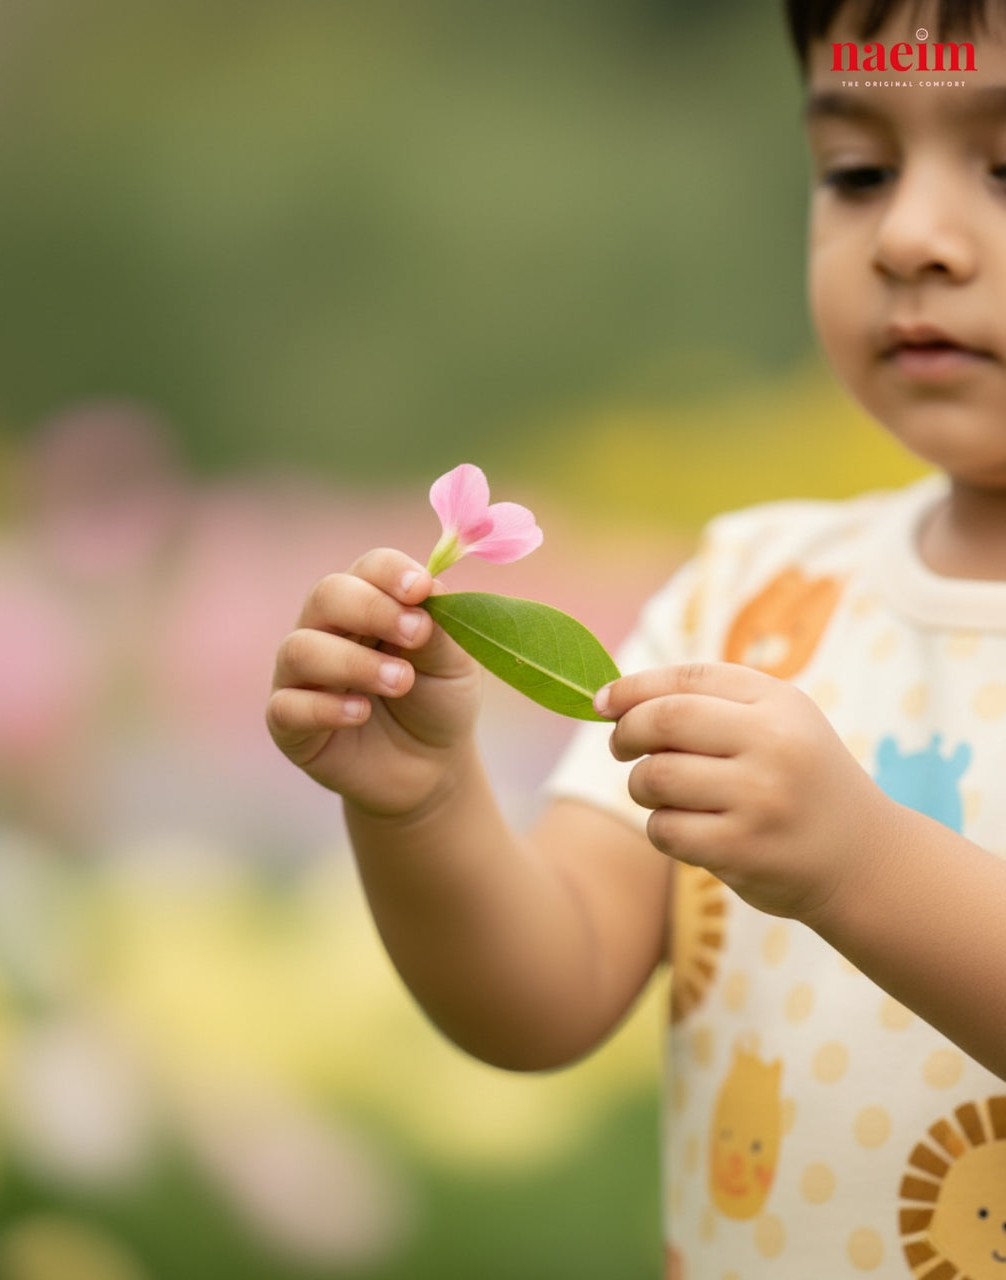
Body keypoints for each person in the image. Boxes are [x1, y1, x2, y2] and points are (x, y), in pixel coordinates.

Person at [267, 0, 1006, 1273]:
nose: (910, 237)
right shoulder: (754, 591)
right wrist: (421, 805)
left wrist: (858, 864)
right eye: (856, 171)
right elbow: (545, 988)